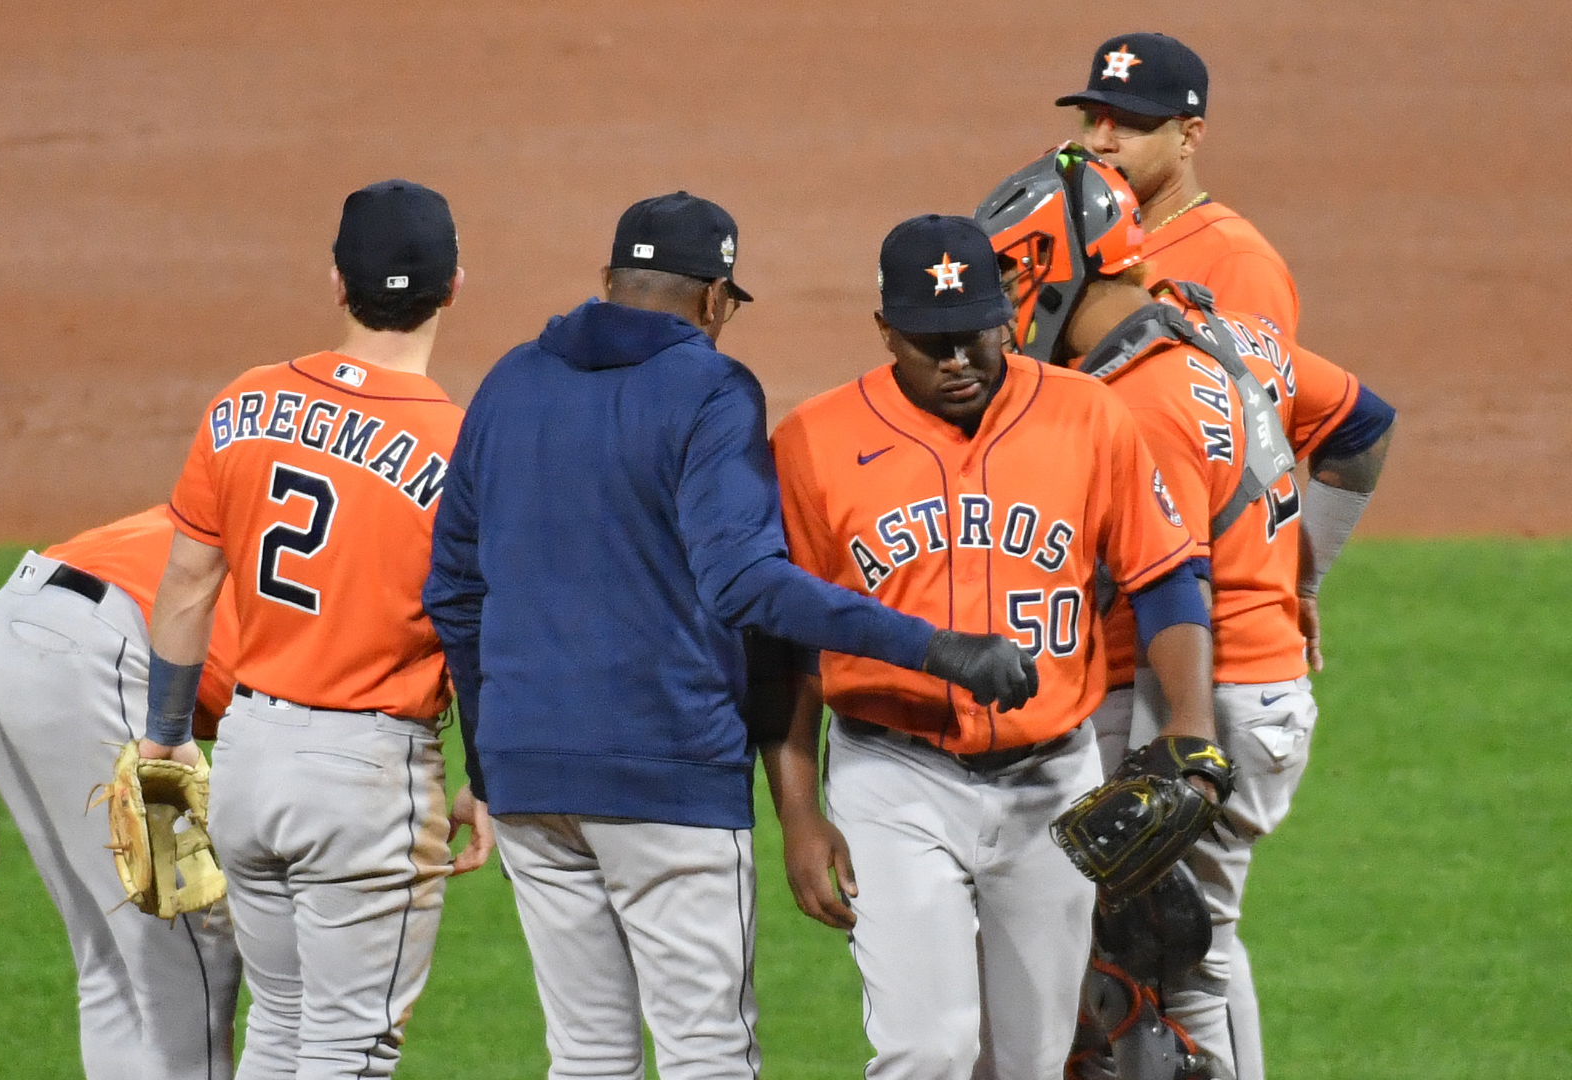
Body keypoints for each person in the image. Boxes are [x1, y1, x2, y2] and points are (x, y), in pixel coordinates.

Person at [423, 192, 1038, 1080]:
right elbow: (746, 581)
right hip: (664, 778)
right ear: (714, 301)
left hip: (527, 780)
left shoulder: (509, 380)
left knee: (587, 1058)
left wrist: (490, 761)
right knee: (707, 1056)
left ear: (609, 282)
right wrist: (938, 648)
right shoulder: (710, 386)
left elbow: (454, 593)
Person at [762, 214, 1218, 1080]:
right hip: (894, 779)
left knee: (1035, 1061)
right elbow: (785, 644)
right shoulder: (812, 443)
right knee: (924, 1050)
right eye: (929, 343)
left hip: (1052, 783)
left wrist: (1189, 725)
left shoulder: (1089, 417)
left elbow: (1164, 577)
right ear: (885, 330)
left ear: (1010, 311)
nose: (957, 361)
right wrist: (797, 813)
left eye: (973, 334)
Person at [979, 145, 1397, 1078]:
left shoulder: (1136, 400)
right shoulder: (1229, 336)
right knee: (1142, 945)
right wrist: (1301, 577)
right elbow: (1361, 428)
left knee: (1185, 955)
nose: (1003, 301)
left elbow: (1162, 574)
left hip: (1203, 702)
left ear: (1052, 264)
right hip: (1254, 683)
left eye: (1011, 271)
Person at [136, 179, 492, 1079]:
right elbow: (477, 632)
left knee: (282, 1027)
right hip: (365, 783)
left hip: (250, 758)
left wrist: (167, 747)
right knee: (349, 1050)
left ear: (338, 282)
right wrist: (488, 778)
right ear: (455, 286)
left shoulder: (243, 404)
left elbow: (185, 588)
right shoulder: (462, 445)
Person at [0, 505, 245, 1080]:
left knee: (113, 962)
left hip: (3, 631)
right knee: (199, 956)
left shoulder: (269, 507)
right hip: (96, 658)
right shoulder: (358, 597)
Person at [1060, 31, 1302, 335]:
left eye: (1127, 123)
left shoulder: (1237, 262)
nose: (1099, 142)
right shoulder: (1079, 239)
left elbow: (1259, 381)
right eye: (1092, 118)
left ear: (1188, 136)